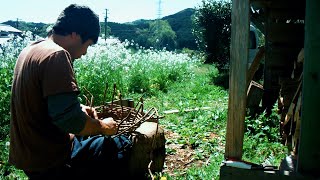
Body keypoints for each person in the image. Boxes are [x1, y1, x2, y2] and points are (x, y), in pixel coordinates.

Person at [9, 4, 132, 179]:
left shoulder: (31, 49)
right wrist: (104, 126)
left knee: (87, 136)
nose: (84, 53)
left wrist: (78, 107)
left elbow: (43, 102)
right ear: (75, 34)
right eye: (87, 45)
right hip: (50, 161)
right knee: (121, 144)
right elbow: (70, 120)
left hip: (29, 156)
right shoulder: (57, 55)